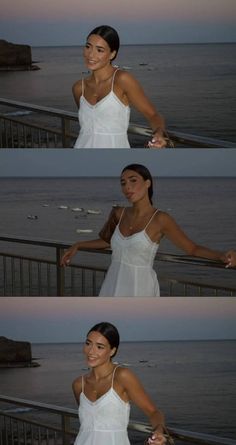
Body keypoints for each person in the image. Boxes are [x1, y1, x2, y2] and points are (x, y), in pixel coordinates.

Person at [61, 164, 234, 297]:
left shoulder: (160, 219)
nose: (127, 187)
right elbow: (107, 241)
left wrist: (220, 256)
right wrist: (78, 245)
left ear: (147, 183)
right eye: (123, 183)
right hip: (112, 283)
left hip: (140, 288)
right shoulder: (118, 213)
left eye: (133, 180)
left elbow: (192, 249)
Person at [73, 25, 167, 149]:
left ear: (112, 54)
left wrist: (159, 134)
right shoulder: (79, 88)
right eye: (88, 47)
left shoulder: (122, 80)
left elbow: (153, 115)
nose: (91, 54)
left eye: (99, 50)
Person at [73, 321, 167, 445]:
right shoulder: (79, 384)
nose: (91, 351)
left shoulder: (122, 376)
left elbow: (153, 412)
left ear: (112, 351)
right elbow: (88, 426)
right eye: (88, 344)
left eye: (99, 347)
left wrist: (159, 431)